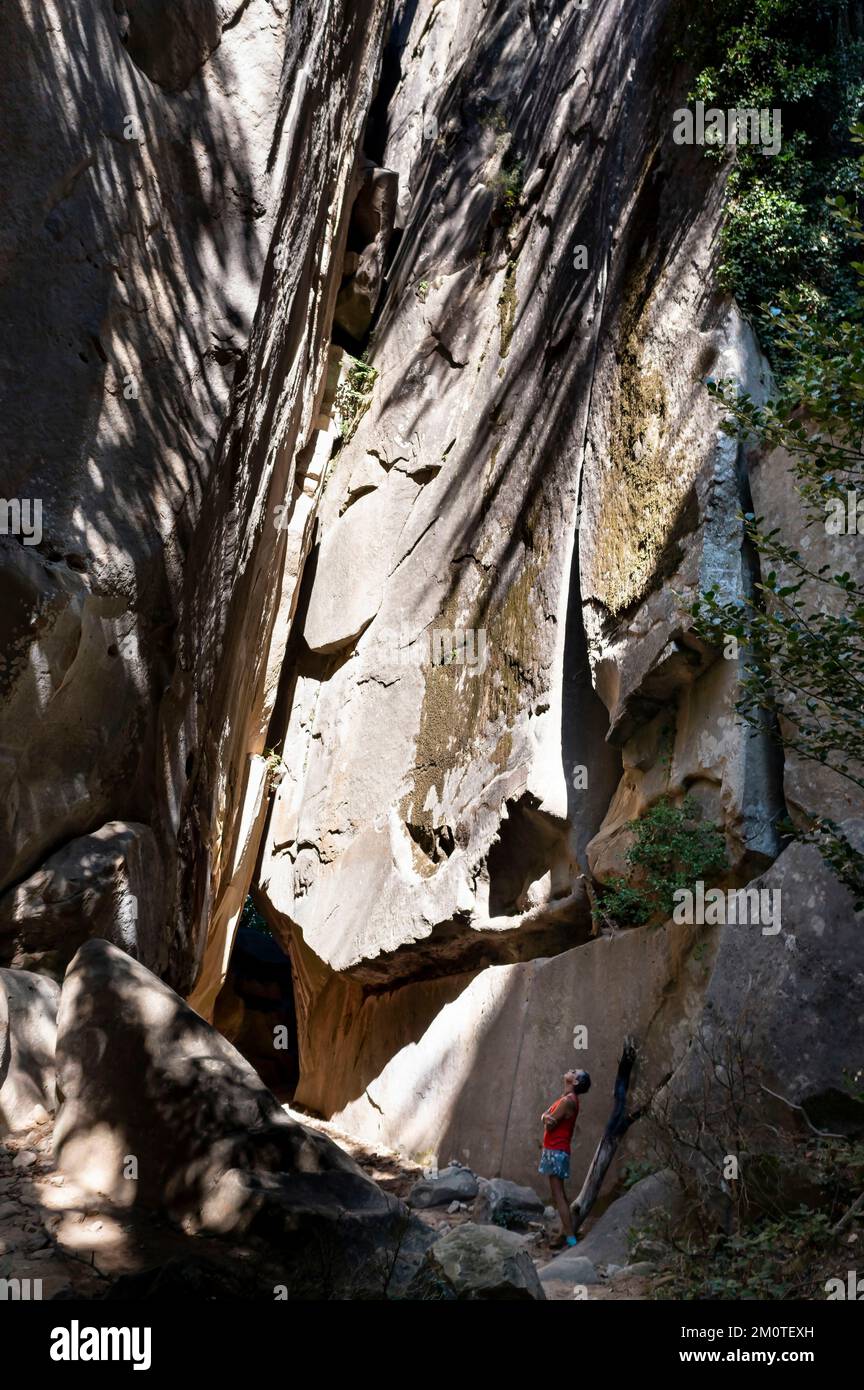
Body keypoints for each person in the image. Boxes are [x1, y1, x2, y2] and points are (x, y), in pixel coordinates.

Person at [539, 1067, 591, 1246]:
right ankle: (568, 1234)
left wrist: (546, 1118)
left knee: (558, 1195)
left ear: (575, 1082)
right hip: (556, 1150)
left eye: (575, 1072)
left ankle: (569, 1237)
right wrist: (545, 1117)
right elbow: (546, 1117)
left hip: (556, 1151)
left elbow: (549, 1124)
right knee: (559, 1193)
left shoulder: (567, 1101)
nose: (571, 1070)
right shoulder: (567, 1099)